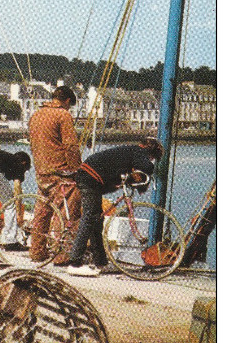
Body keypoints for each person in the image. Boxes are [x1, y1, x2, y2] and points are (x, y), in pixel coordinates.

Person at [67, 138, 164, 277]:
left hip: (90, 176)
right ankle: (74, 263)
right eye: (153, 157)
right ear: (151, 152)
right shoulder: (139, 151)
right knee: (90, 217)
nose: (151, 160)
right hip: (90, 177)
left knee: (97, 220)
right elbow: (146, 166)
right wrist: (148, 173)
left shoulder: (130, 151)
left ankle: (100, 262)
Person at [28, 85, 82, 264]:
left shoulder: (36, 115)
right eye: (69, 105)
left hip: (41, 170)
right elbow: (70, 146)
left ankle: (37, 251)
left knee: (42, 213)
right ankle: (62, 255)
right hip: (61, 172)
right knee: (67, 213)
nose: (69, 109)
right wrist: (77, 169)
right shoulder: (63, 115)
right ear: (67, 101)